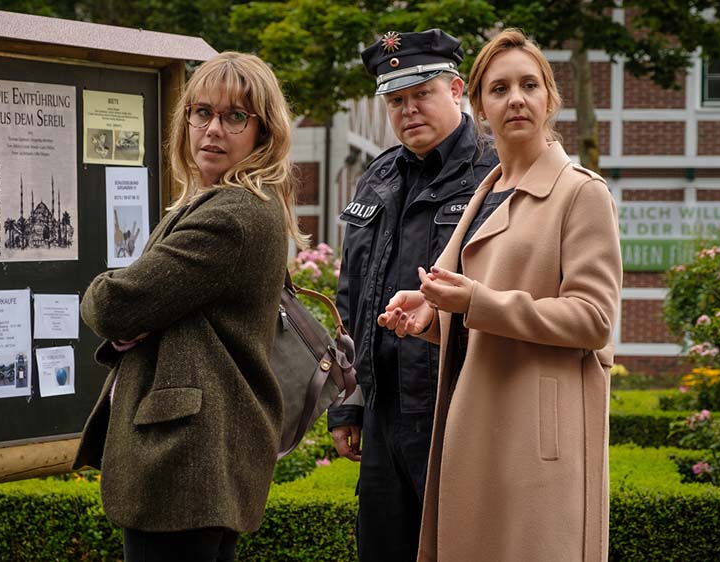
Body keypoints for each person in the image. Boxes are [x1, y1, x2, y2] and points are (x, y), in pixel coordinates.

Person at [378, 28, 622, 562]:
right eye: (499, 88)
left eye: (529, 85)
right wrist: (432, 313)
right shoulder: (486, 192)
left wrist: (475, 303)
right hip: (479, 420)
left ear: (549, 98)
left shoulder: (581, 192)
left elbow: (593, 319)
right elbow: (473, 304)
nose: (516, 98)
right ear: (479, 107)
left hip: (538, 436)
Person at [73, 52, 308, 562]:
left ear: (263, 132)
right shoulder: (219, 201)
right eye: (202, 112)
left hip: (185, 463)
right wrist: (140, 314)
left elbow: (113, 306)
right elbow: (141, 306)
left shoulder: (233, 215)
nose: (213, 129)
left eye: (234, 116)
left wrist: (122, 308)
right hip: (199, 461)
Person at [327, 29, 497, 562]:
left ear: (456, 90)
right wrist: (348, 400)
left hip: (458, 410)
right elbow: (352, 296)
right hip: (384, 414)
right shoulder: (377, 176)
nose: (408, 110)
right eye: (396, 101)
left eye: (421, 94)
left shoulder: (494, 173)